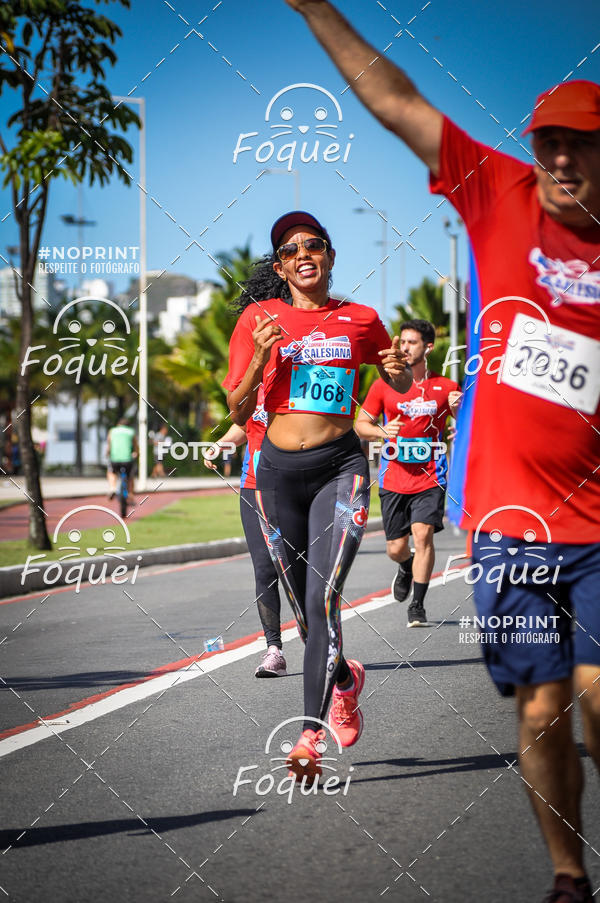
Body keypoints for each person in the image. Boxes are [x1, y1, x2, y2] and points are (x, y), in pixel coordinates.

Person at [284, 4, 600, 899]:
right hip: (509, 523)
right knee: (541, 710)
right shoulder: (496, 190)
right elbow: (394, 98)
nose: (559, 159)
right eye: (547, 142)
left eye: (579, 144)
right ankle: (570, 878)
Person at [225, 210, 411, 781]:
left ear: (329, 257)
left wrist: (399, 371)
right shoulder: (258, 317)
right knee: (306, 613)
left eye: (313, 245)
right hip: (276, 472)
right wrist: (259, 356)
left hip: (340, 468)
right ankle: (347, 680)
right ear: (280, 268)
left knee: (323, 598)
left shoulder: (361, 319)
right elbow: (234, 406)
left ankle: (310, 734)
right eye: (289, 249)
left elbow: (397, 382)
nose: (302, 253)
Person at [355, 319, 461, 626]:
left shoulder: (446, 387)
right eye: (402, 342)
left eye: (411, 343)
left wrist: (461, 416)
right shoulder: (382, 385)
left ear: (428, 347)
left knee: (423, 534)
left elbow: (466, 422)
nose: (404, 348)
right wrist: (381, 431)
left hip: (431, 475)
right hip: (394, 476)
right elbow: (361, 423)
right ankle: (405, 566)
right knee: (396, 548)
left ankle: (418, 604)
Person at [204, 394, 287, 679]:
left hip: (293, 487)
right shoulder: (251, 386)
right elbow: (245, 426)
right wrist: (220, 444)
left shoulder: (300, 371)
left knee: (295, 566)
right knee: (264, 568)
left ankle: (318, 639)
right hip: (253, 486)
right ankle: (274, 649)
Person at [106, 417, 138, 504]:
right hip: (127, 459)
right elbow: (135, 445)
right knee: (130, 476)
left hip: (115, 459)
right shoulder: (131, 431)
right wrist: (136, 453)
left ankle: (113, 488)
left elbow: (109, 444)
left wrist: (107, 453)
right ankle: (131, 495)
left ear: (118, 424)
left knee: (111, 472)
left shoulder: (112, 431)